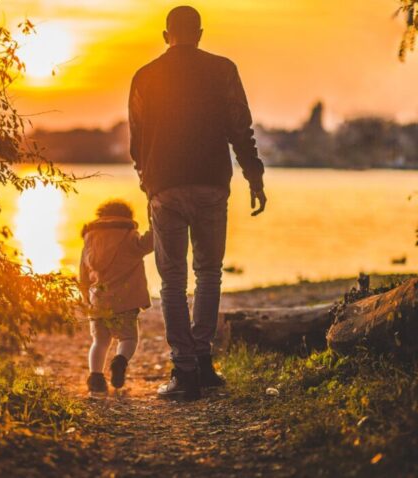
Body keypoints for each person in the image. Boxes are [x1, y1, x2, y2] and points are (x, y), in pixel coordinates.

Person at [129, 5, 268, 400]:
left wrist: (147, 182)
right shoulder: (223, 69)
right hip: (210, 183)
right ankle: (203, 362)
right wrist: (253, 176)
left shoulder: (144, 76)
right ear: (200, 33)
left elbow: (137, 139)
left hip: (165, 188)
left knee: (172, 280)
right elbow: (240, 127)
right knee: (209, 272)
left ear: (165, 35)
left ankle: (184, 369)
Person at [79, 199, 154, 396]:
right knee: (128, 337)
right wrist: (155, 221)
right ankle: (120, 361)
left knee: (100, 342)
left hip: (98, 302)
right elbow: (150, 243)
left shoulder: (90, 239)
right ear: (127, 218)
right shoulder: (129, 236)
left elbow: (83, 275)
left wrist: (86, 299)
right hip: (125, 302)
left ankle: (95, 377)